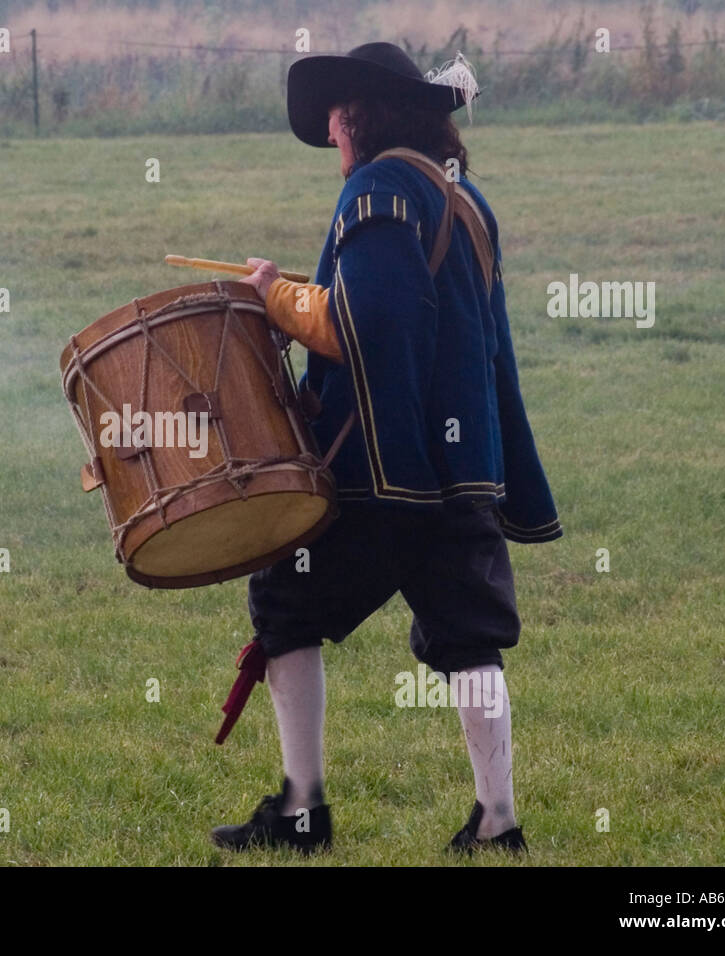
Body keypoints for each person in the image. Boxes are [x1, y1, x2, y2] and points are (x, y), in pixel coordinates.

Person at [210, 42, 562, 855]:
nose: (330, 127)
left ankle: (303, 813)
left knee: (286, 604)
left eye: (338, 110)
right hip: (463, 465)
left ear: (362, 116)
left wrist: (274, 296)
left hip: (382, 466)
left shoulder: (375, 194)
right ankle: (497, 823)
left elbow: (366, 327)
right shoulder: (460, 196)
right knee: (468, 633)